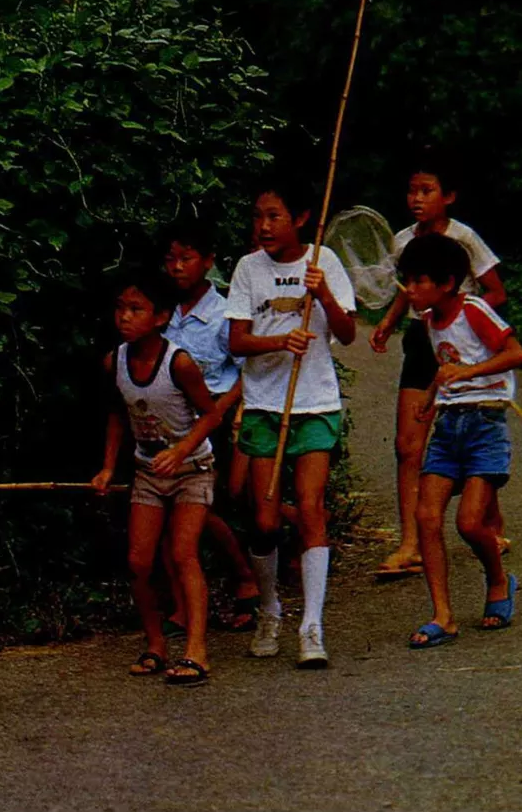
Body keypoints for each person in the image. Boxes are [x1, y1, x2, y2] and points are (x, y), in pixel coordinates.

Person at [225, 183, 357, 668]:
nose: (263, 226)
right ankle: (270, 609)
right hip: (264, 405)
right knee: (264, 519)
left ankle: (312, 626)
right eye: (258, 216)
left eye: (274, 216)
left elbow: (347, 333)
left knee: (311, 507)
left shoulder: (324, 262)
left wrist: (323, 296)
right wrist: (280, 342)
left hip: (315, 403)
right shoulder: (248, 268)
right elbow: (237, 341)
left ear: (300, 218)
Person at [369, 150, 509, 576]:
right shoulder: (401, 240)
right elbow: (406, 290)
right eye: (412, 190)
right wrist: (388, 322)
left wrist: (463, 320)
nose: (417, 198)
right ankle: (410, 542)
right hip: (421, 340)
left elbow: (496, 291)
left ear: (448, 196)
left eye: (427, 190)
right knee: (407, 445)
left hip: (462, 347)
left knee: (470, 437)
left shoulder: (465, 238)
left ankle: (491, 524)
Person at [90, 270, 228, 686]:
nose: (124, 317)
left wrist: (180, 451)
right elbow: (117, 415)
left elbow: (211, 415)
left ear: (161, 317)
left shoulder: (178, 363)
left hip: (191, 469)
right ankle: (155, 644)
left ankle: (196, 650)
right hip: (148, 470)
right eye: (120, 308)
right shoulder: (115, 361)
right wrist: (109, 467)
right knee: (138, 561)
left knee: (184, 553)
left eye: (136, 309)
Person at [397, 233, 522, 649]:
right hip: (448, 425)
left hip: (484, 423)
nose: (410, 289)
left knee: (470, 522)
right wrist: (430, 400)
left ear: (447, 282)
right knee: (426, 516)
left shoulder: (473, 310)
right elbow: (445, 368)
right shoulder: (429, 320)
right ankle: (443, 615)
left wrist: (467, 374)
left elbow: (515, 354)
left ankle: (498, 579)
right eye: (407, 280)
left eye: (418, 281)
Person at [160, 221, 260, 632]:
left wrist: (218, 412)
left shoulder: (223, 314)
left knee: (198, 508)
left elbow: (245, 372)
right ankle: (190, 601)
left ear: (207, 262)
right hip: (169, 422)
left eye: (186, 258)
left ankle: (244, 578)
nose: (177, 267)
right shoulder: (163, 311)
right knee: (171, 507)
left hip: (210, 421)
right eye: (171, 259)